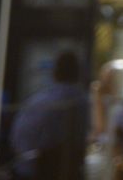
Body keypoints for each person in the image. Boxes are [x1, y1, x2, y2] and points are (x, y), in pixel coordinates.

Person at [10, 51, 87, 179]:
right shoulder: (84, 102)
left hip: (35, 171)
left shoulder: (41, 102)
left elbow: (18, 139)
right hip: (71, 171)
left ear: (55, 72)